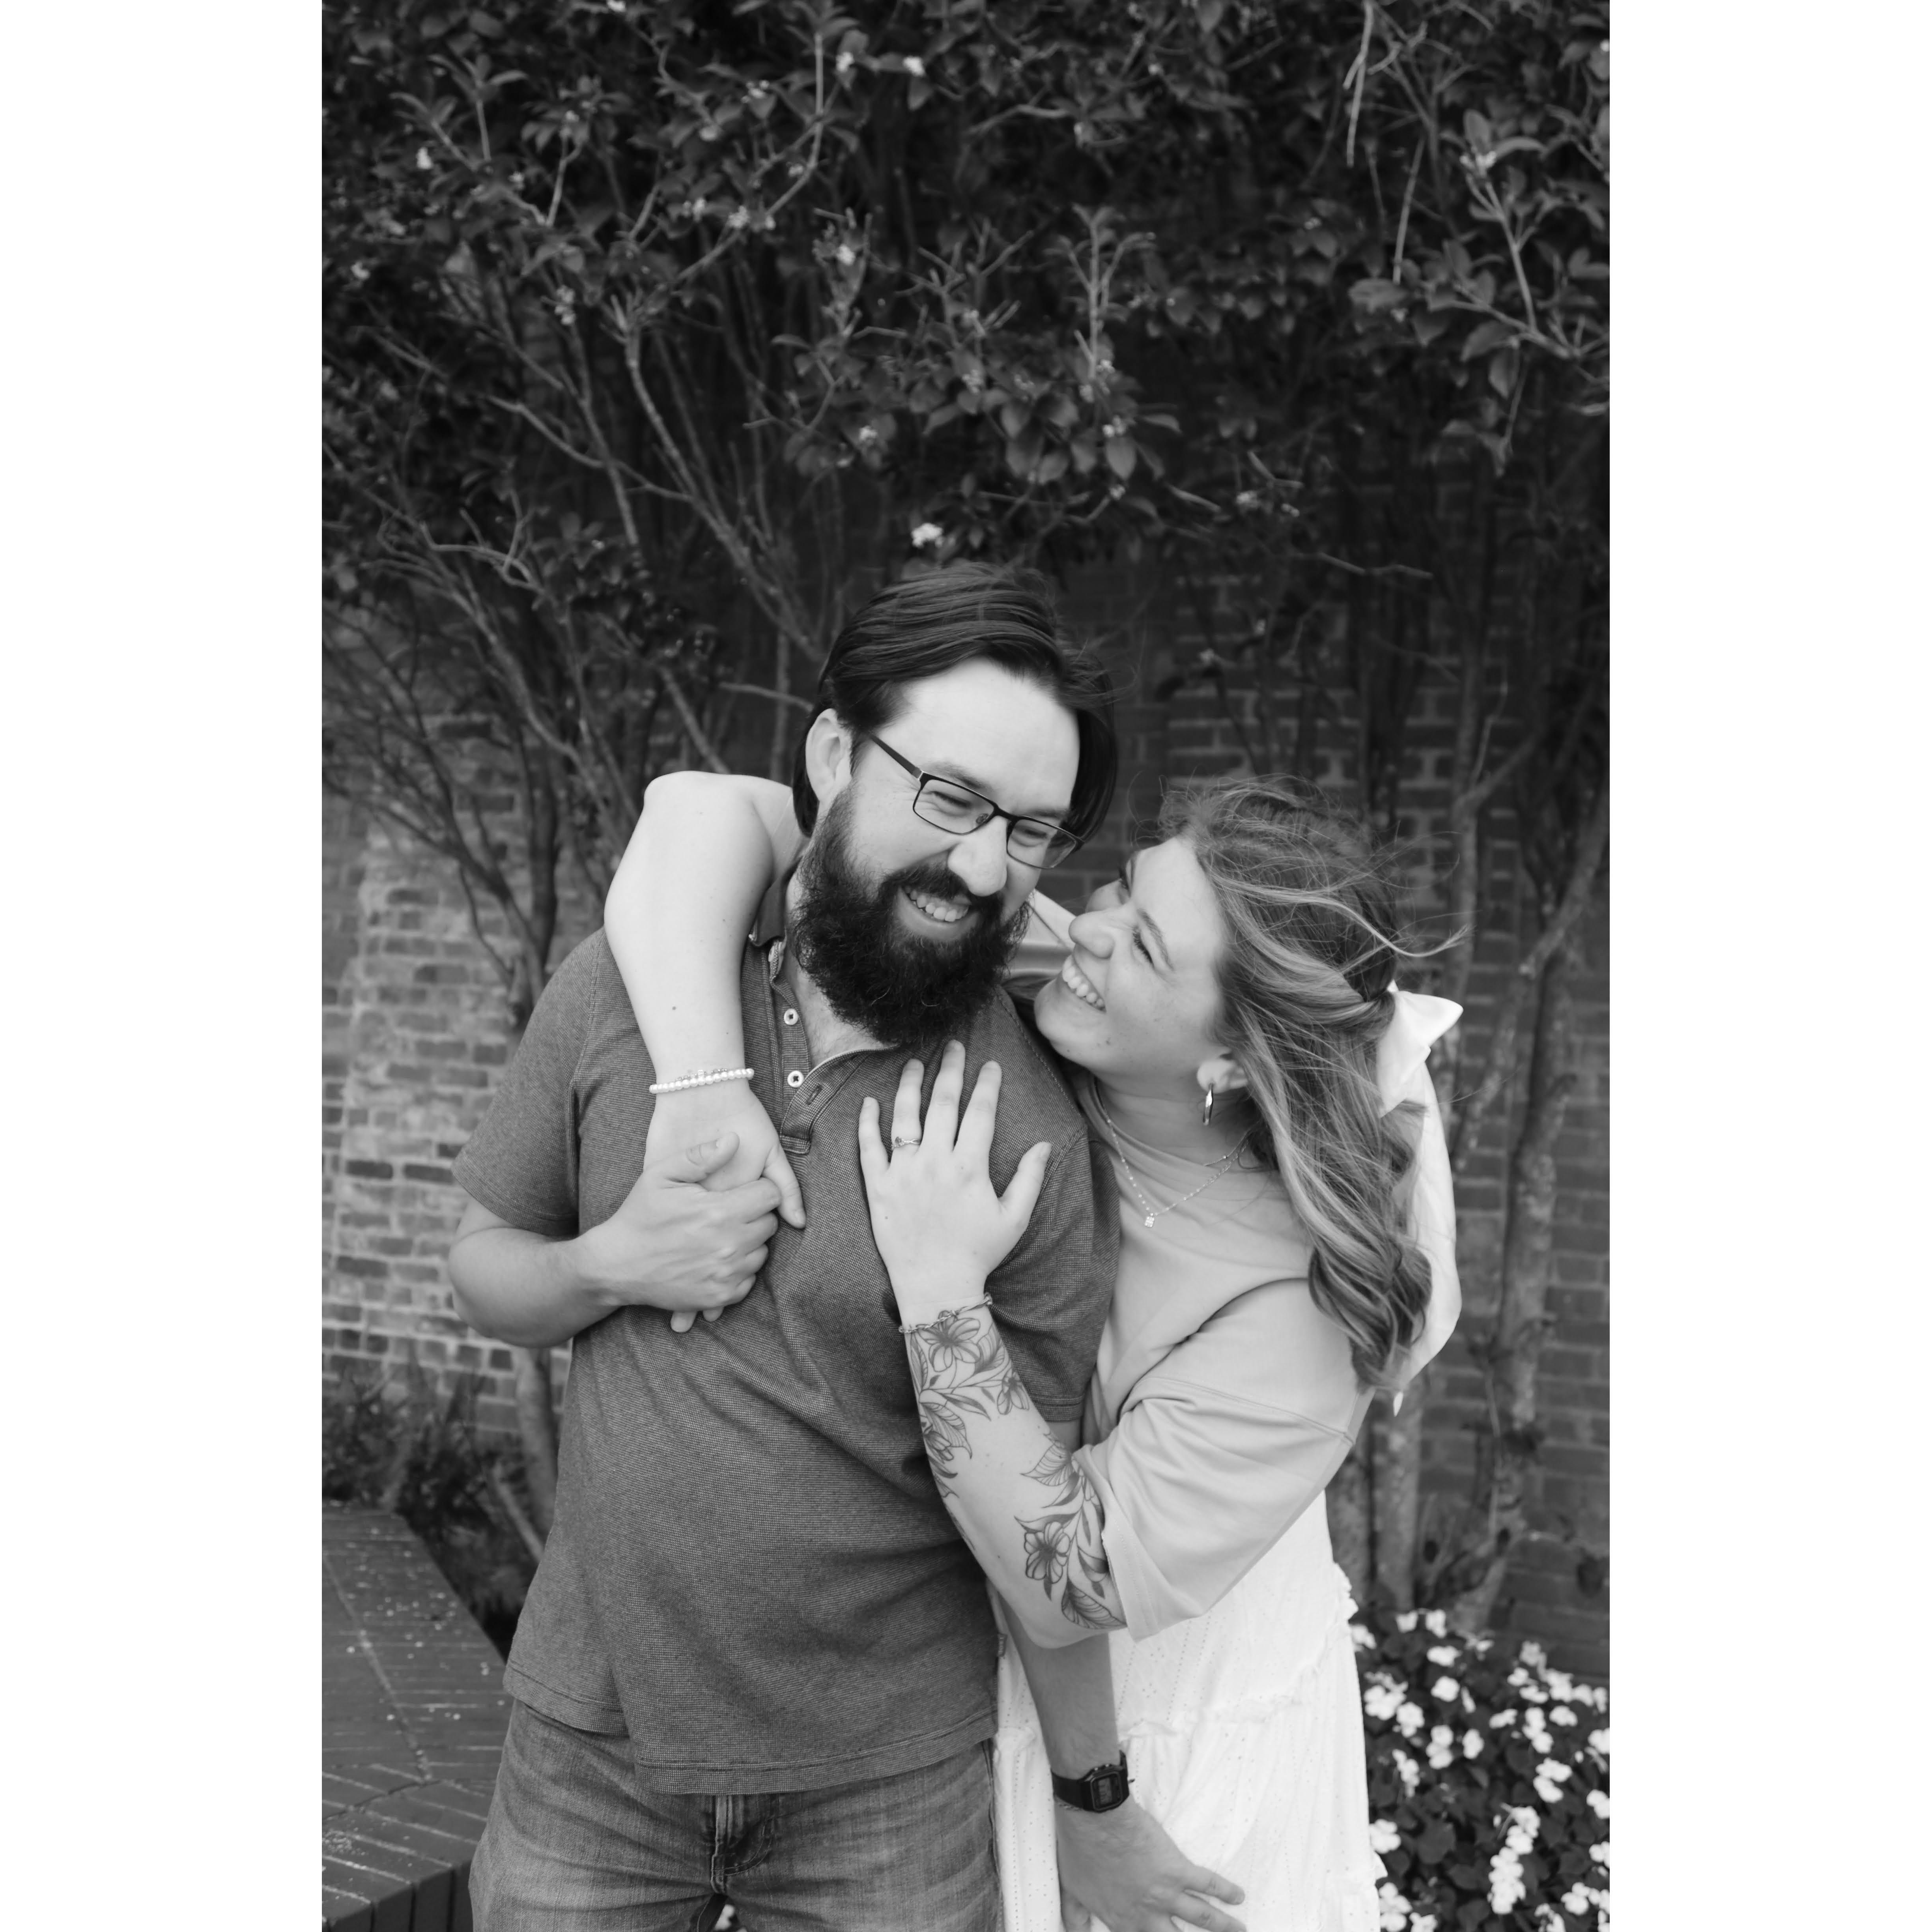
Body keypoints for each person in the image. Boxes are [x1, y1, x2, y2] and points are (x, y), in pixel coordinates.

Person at [447, 563, 1217, 1932]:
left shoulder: (1030, 1122)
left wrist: (1089, 1797)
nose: (980, 866)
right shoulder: (637, 983)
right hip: (589, 1748)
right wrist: (609, 1264)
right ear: (830, 753)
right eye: (951, 797)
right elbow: (484, 1264)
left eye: (1030, 830)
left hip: (889, 1793)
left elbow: (1028, 1520)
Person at [607, 762, 1463, 1932]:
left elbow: (1073, 1579)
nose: (1089, 930)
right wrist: (704, 1090)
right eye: (1123, 887)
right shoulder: (1061, 976)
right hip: (952, 1685)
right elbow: (705, 807)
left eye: (1145, 945)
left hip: (1165, 1722)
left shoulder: (1300, 1309)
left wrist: (940, 1288)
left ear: (1230, 1060)